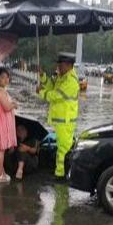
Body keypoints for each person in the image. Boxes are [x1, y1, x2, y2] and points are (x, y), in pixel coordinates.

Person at [36, 52, 79, 181]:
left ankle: (61, 176)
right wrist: (42, 75)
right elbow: (50, 85)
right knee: (62, 148)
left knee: (63, 150)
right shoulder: (62, 76)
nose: (58, 67)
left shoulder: (71, 81)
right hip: (61, 121)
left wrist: (41, 92)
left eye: (60, 64)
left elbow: (55, 95)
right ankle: (60, 173)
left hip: (66, 121)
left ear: (68, 65)